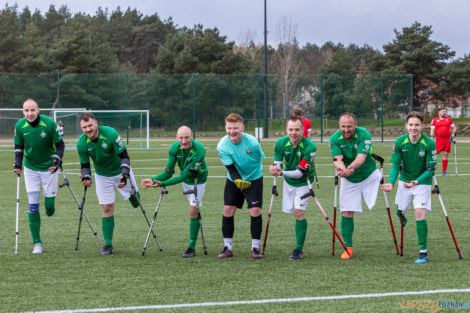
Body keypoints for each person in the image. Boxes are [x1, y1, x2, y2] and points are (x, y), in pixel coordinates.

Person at [77, 112, 140, 255]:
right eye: (84, 127)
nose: (88, 129)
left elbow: (124, 156)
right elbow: (85, 165)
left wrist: (124, 174)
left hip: (120, 171)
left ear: (96, 123)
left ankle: (134, 195)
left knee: (135, 201)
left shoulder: (111, 133)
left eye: (90, 125)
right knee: (106, 207)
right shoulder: (81, 143)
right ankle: (108, 244)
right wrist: (86, 176)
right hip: (102, 175)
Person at [141, 126, 208, 258]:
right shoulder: (174, 148)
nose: (184, 141)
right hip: (186, 178)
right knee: (193, 207)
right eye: (181, 138)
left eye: (187, 137)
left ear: (192, 137)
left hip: (197, 180)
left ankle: (191, 247)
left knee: (193, 209)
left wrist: (163, 184)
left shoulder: (199, 151)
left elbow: (184, 176)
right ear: (177, 138)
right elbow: (169, 171)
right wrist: (153, 180)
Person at [381, 111, 436, 264]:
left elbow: (430, 169)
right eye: (411, 125)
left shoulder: (429, 143)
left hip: (422, 182)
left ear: (423, 126)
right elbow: (395, 166)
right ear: (406, 126)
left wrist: (416, 182)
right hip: (404, 181)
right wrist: (391, 183)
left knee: (419, 213)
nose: (414, 128)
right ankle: (401, 214)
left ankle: (423, 252)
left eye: (417, 125)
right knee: (401, 208)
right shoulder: (399, 142)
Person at [13, 99, 65, 254]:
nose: (29, 113)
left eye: (32, 110)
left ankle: (50, 205)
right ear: (23, 111)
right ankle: (37, 243)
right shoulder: (20, 125)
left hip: (48, 168)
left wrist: (56, 161)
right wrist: (17, 164)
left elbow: (60, 144)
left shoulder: (49, 123)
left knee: (49, 208)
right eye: (26, 110)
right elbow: (19, 146)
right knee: (33, 205)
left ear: (38, 110)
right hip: (31, 169)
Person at [329, 112, 381, 260]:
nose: (346, 130)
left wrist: (349, 168)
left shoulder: (364, 134)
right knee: (346, 211)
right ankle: (348, 247)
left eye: (349, 126)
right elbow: (337, 158)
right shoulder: (334, 138)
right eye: (343, 126)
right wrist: (341, 169)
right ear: (339, 126)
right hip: (349, 178)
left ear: (355, 125)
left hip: (369, 175)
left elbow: (361, 157)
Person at [217, 113, 265, 259]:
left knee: (255, 211)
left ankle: (255, 248)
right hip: (234, 179)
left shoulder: (253, 143)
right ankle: (227, 247)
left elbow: (257, 162)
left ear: (242, 128)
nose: (232, 131)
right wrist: (238, 180)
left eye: (235, 128)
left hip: (254, 178)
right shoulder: (222, 146)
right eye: (229, 128)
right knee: (228, 210)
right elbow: (231, 168)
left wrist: (247, 180)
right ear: (226, 128)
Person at [269, 116, 317, 260]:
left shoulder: (310, 147)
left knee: (298, 213)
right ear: (286, 130)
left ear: (302, 130)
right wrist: (275, 169)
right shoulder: (280, 144)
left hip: (304, 182)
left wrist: (281, 172)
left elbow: (299, 173)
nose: (294, 133)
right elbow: (278, 164)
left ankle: (298, 249)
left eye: (297, 129)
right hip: (288, 183)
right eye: (291, 129)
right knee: (291, 211)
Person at [430, 108, 456, 176]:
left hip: (447, 140)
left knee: (445, 154)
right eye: (443, 111)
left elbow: (454, 128)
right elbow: (432, 130)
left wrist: (452, 135)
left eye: (445, 111)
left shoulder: (449, 120)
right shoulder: (434, 120)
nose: (444, 113)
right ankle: (429, 168)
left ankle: (444, 172)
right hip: (438, 140)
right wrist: (432, 138)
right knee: (433, 154)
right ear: (439, 112)